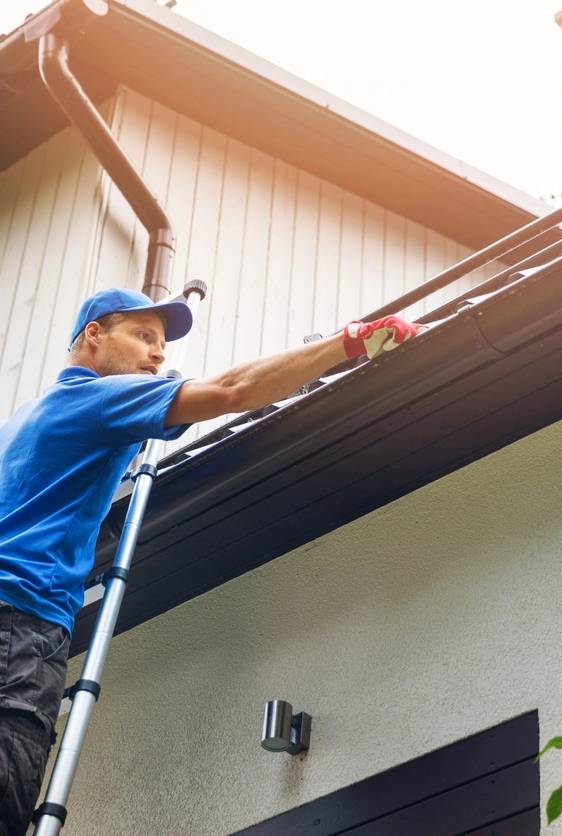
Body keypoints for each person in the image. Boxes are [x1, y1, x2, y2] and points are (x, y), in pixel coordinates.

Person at [0, 287, 420, 835]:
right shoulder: (97, 400)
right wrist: (349, 342)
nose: (158, 354)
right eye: (144, 336)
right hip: (20, 626)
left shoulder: (21, 421)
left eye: (163, 344)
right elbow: (232, 389)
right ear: (93, 336)